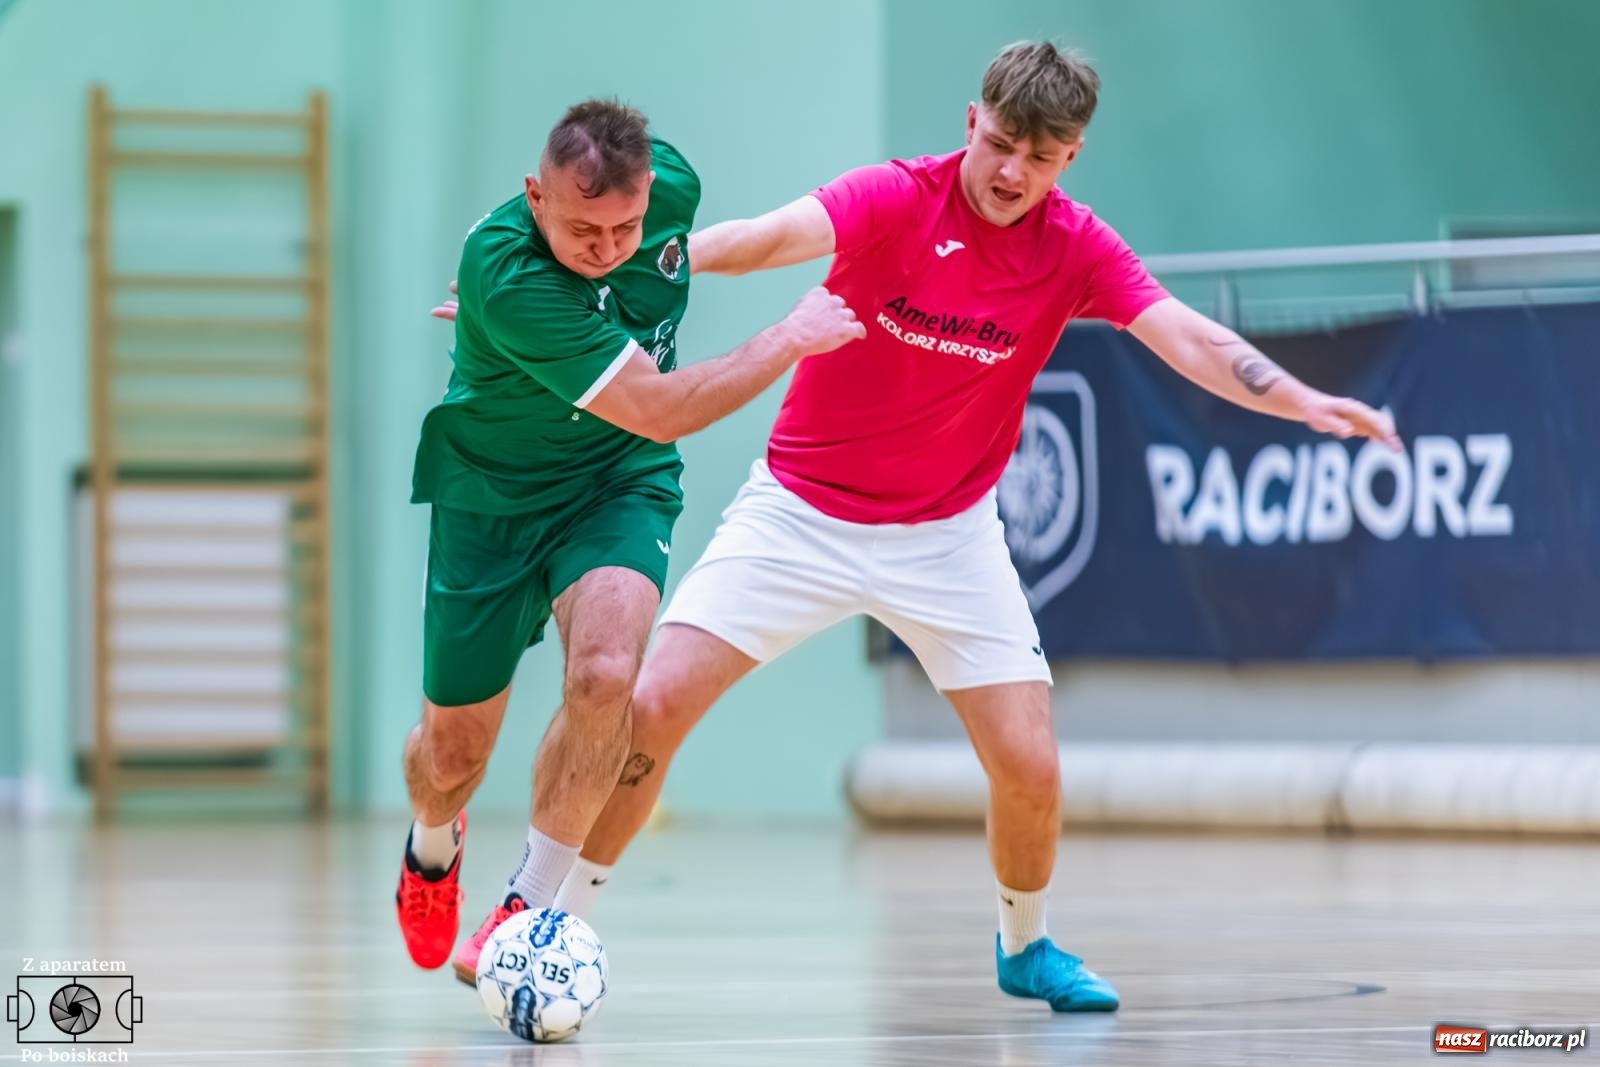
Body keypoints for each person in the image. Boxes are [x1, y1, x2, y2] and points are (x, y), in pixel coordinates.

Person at [434, 44, 1399, 1011]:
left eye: (1044, 155)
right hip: (798, 513)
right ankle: (543, 915)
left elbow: (1185, 334)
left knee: (1028, 763)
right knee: (652, 707)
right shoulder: (896, 197)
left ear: (1071, 159)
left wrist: (1304, 399)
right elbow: (764, 237)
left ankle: (1026, 944)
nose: (1014, 172)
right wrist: (579, 285)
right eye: (1004, 143)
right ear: (971, 121)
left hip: (947, 535)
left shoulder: (1076, 248)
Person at [396, 97, 863, 986]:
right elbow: (660, 403)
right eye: (581, 228)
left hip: (617, 480)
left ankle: (527, 911)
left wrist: (661, 254)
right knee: (451, 757)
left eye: (626, 226)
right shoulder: (506, 273)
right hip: (489, 501)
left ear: (651, 193)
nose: (607, 248)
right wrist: (788, 338)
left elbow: (680, 278)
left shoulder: (667, 187)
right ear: (534, 195)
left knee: (609, 675)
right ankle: (429, 847)